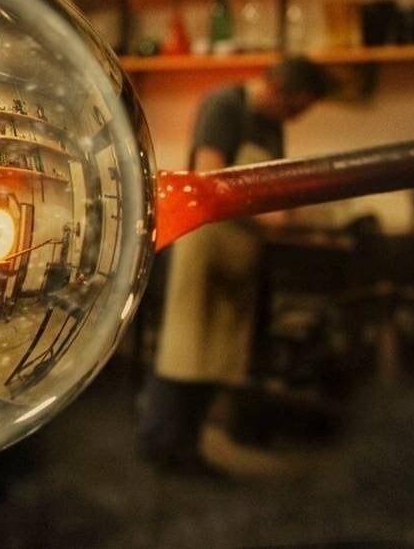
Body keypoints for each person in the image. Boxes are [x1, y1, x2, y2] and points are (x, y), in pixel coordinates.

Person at [137, 56, 331, 476]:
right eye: (295, 107)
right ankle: (160, 445)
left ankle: (190, 446)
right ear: (276, 90)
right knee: (183, 353)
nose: (294, 118)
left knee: (216, 359)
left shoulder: (271, 125)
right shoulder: (225, 105)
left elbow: (274, 184)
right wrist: (268, 216)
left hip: (240, 253)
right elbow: (210, 179)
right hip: (205, 248)